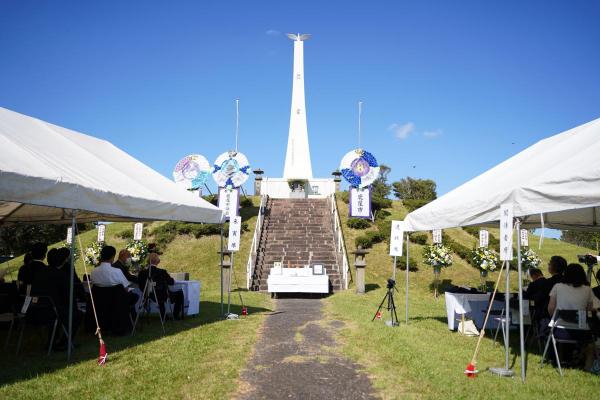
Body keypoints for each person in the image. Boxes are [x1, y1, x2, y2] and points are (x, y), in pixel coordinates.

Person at [548, 263, 597, 371]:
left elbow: (551, 308)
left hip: (560, 331)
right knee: (590, 345)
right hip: (582, 332)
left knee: (551, 327)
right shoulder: (588, 289)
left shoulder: (558, 287)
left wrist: (557, 317)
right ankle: (586, 367)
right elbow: (589, 311)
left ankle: (560, 360)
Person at [138, 253, 184, 320]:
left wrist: (148, 290)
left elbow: (141, 286)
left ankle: (164, 315)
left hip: (149, 295)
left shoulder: (142, 273)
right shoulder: (162, 272)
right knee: (179, 294)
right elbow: (171, 282)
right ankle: (175, 315)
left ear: (148, 261)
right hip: (163, 295)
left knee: (159, 294)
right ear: (158, 261)